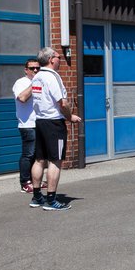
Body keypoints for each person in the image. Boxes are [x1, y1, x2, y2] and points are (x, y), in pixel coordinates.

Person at [28, 47, 81, 210]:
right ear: (51, 59)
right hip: (53, 123)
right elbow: (62, 102)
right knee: (55, 160)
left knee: (39, 159)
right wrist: (69, 116)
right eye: (58, 57)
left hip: (40, 121)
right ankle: (51, 200)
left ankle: (37, 196)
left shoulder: (36, 77)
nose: (60, 59)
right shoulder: (52, 77)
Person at [12, 58, 41, 192]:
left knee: (37, 155)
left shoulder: (40, 82)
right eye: (32, 68)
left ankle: (35, 181)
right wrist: (34, 83)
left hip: (39, 123)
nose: (35, 70)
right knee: (28, 154)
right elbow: (22, 98)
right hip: (27, 124)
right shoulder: (21, 82)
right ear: (26, 70)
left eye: (37, 68)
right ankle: (25, 182)